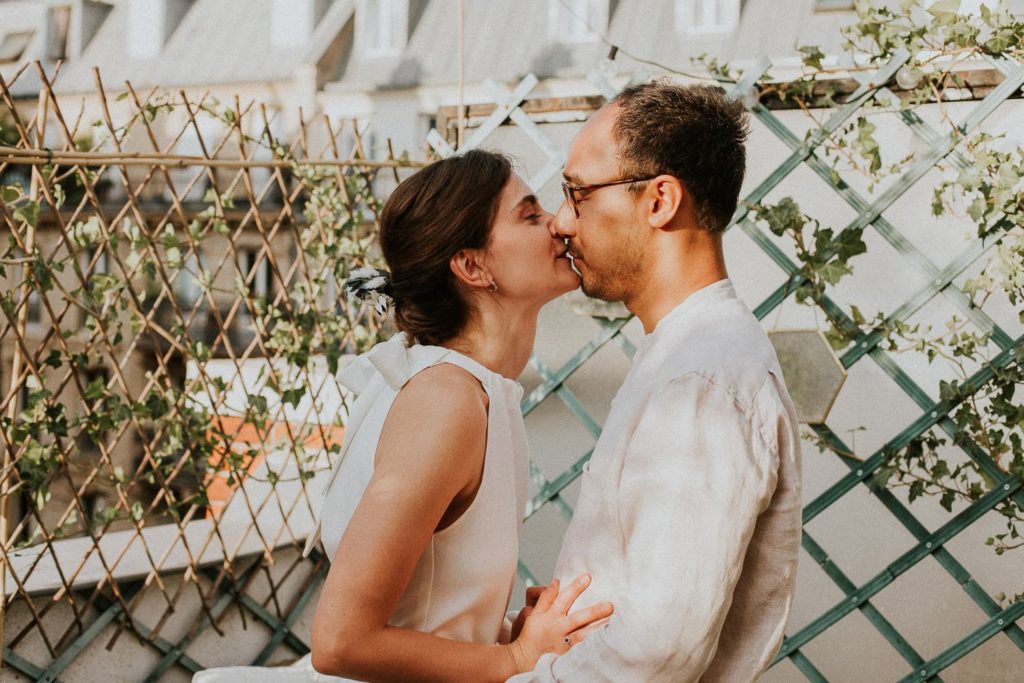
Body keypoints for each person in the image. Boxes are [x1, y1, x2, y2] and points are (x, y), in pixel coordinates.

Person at [509, 81, 803, 682]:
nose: (562, 223)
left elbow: (658, 647)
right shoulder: (685, 357)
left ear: (660, 200)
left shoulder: (702, 384)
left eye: (577, 193)